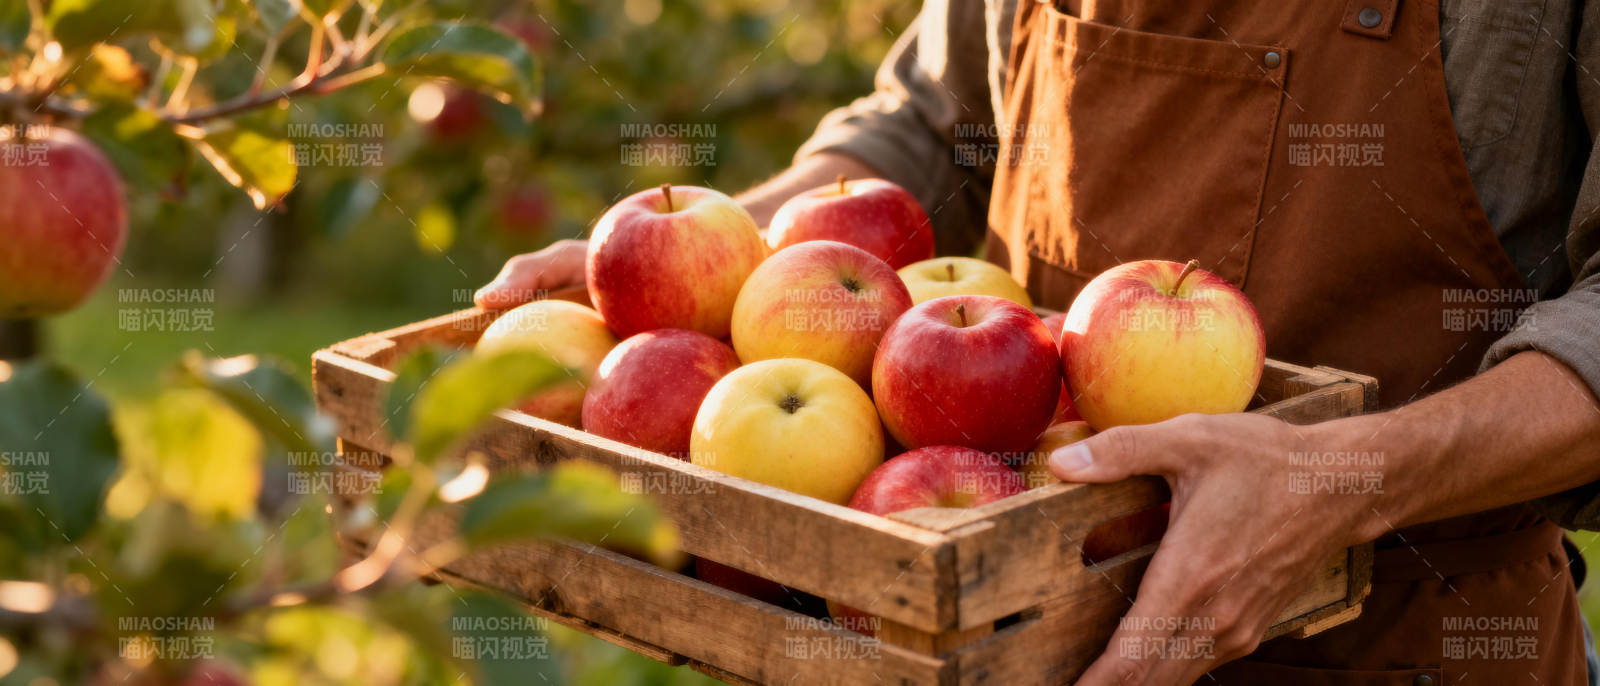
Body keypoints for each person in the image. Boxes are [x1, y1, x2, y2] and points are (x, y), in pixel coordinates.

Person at [479, 1, 1600, 682]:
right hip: (996, 618)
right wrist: (710, 266)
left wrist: (1344, 482)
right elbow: (928, 120)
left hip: (1399, 647)